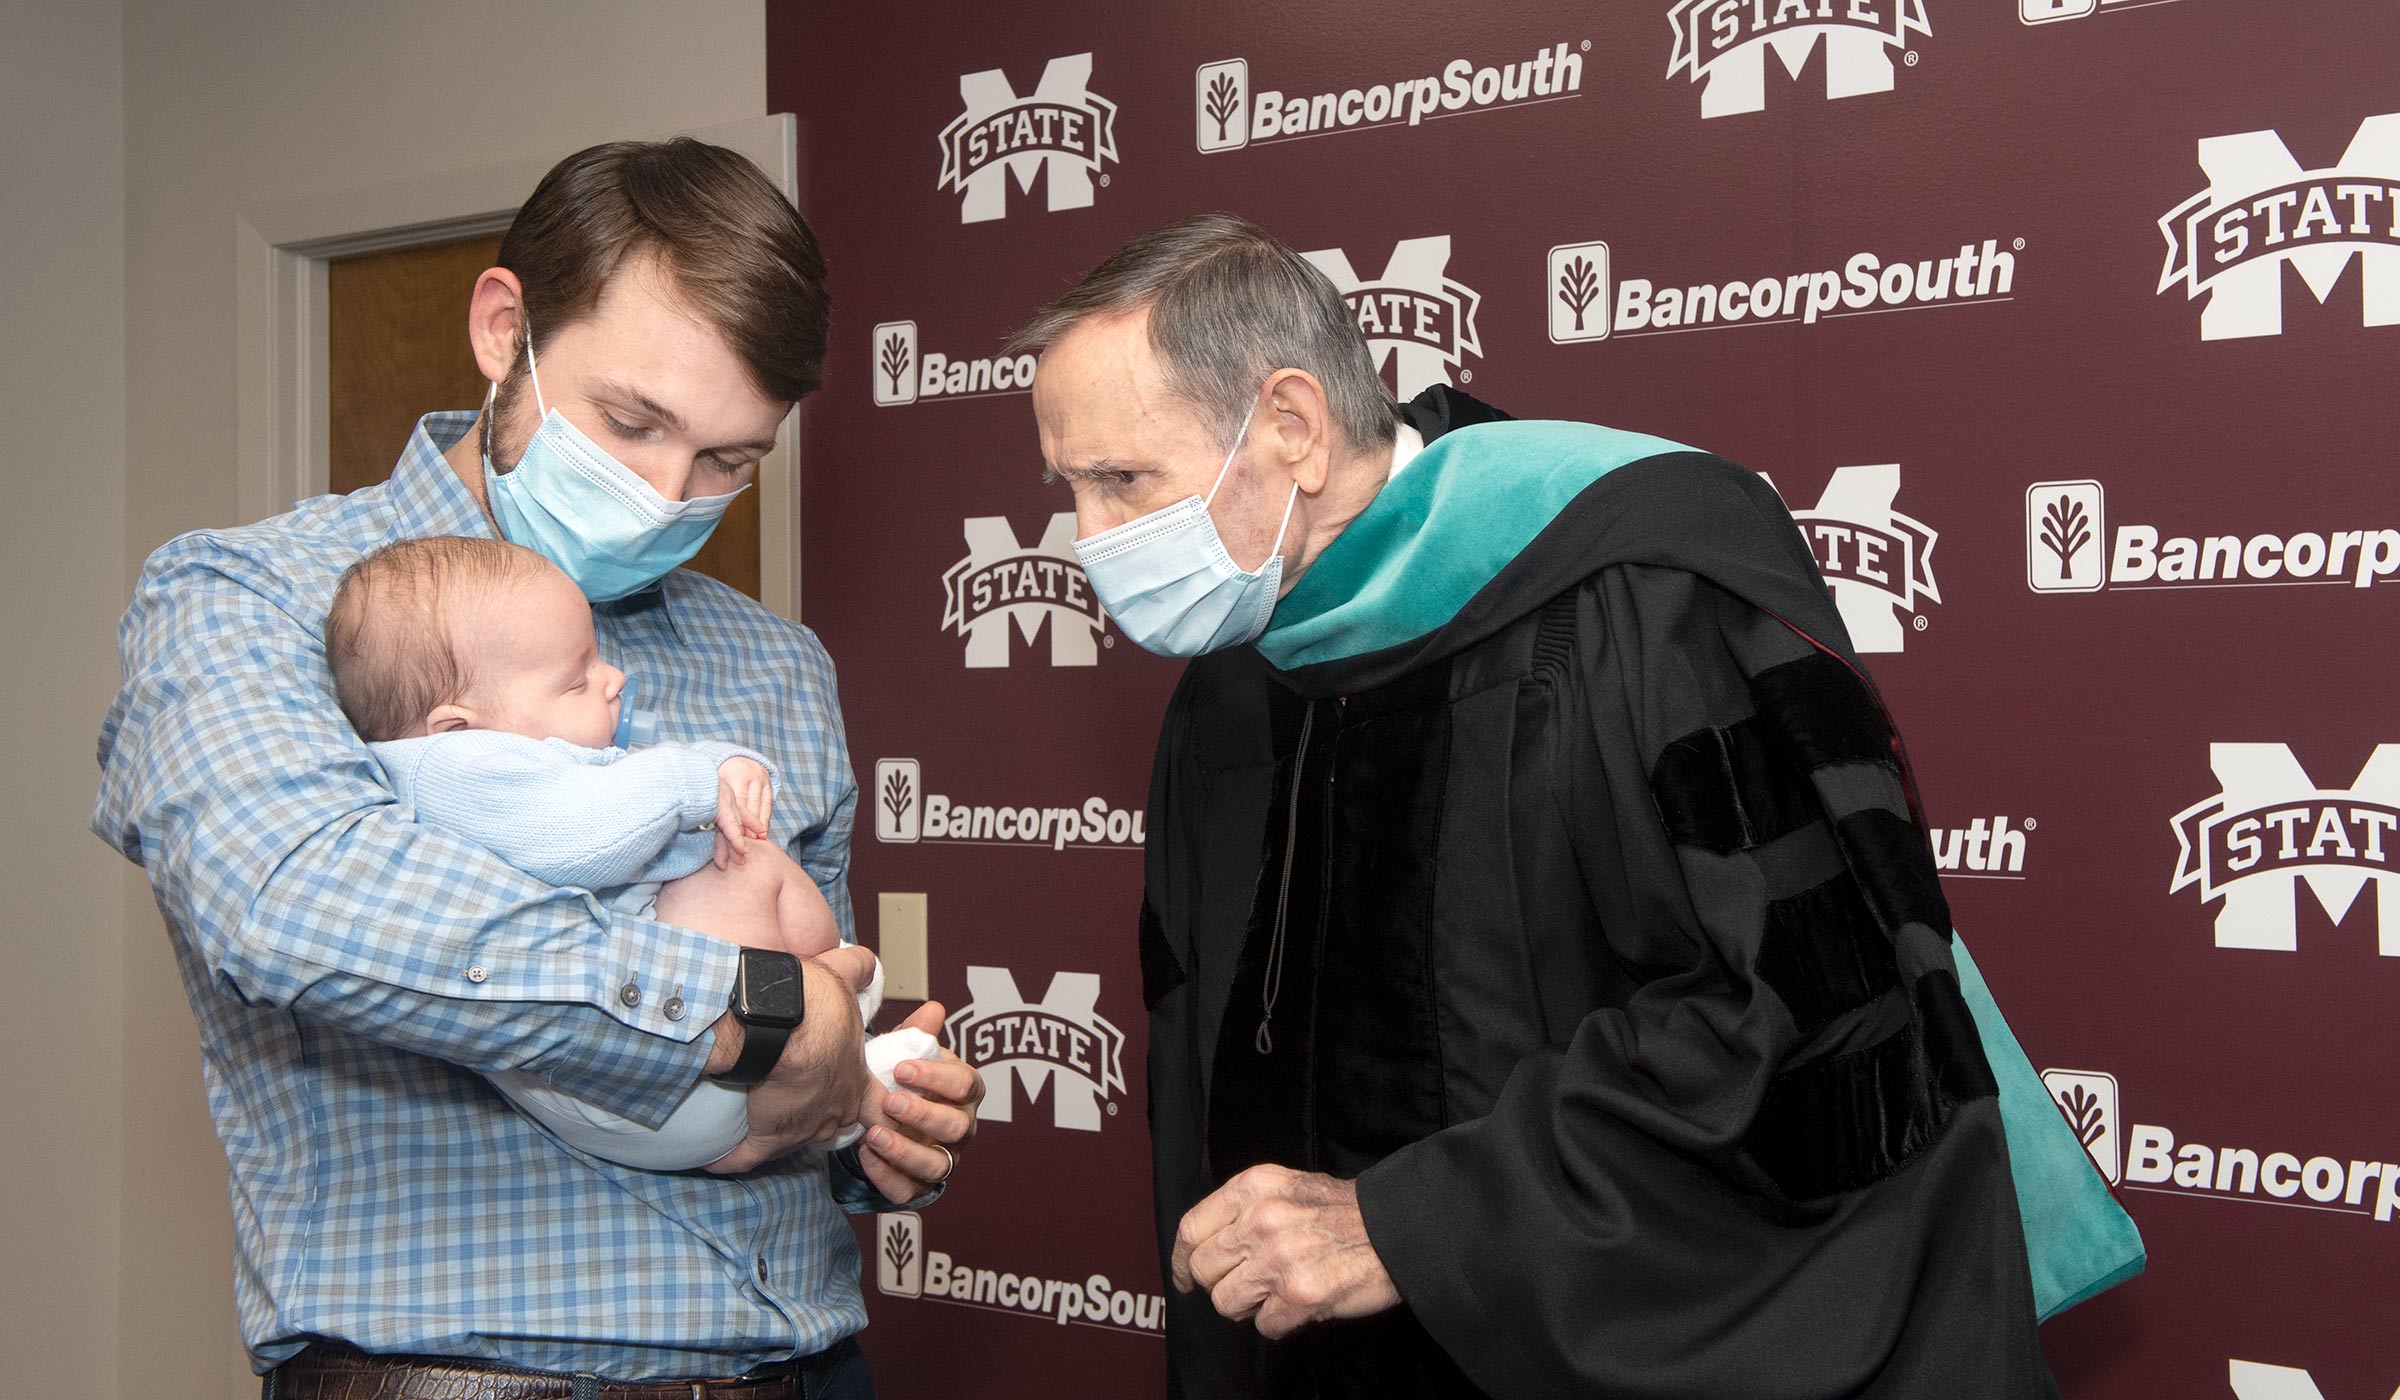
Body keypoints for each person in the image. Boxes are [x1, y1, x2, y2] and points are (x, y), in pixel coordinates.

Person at [1010, 213, 2068, 1398]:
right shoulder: (1229, 683)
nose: (1090, 542)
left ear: (1293, 427)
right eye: (1072, 488)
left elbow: (1792, 1018)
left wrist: (1410, 1222)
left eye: (1123, 481)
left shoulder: (1632, 595)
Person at [92, 139, 981, 1398]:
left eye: (729, 462)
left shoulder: (775, 663)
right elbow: (295, 903)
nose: (670, 495)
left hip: (807, 1363)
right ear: (505, 330)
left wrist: (862, 1111)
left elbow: (809, 1048)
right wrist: (755, 1008)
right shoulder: (250, 597)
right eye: (634, 422)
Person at [324, 535, 939, 1172]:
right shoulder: (452, 768)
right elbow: (584, 838)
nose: (613, 680)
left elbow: (623, 807)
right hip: (663, 1086)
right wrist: (693, 780)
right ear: (456, 726)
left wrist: (723, 769)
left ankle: (860, 1073)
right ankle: (834, 1018)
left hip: (710, 1081)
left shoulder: (488, 743)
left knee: (737, 853)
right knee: (735, 865)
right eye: (577, 680)